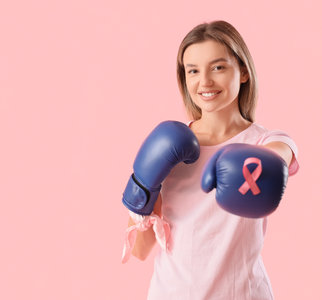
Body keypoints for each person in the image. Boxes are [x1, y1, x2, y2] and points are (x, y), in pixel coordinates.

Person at [122, 20, 299, 299]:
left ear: (242, 71)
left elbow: (279, 157)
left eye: (218, 67)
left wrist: (254, 163)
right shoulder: (169, 147)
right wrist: (141, 187)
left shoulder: (264, 142)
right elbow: (141, 250)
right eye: (193, 70)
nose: (204, 81)